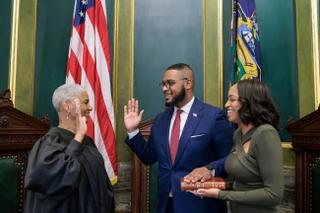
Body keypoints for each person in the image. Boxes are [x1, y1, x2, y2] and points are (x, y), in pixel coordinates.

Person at [123, 63, 233, 213]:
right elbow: (149, 157)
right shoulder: (161, 120)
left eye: (170, 83)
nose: (164, 88)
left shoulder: (213, 117)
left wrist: (210, 169)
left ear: (188, 83)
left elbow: (231, 158)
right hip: (165, 205)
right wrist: (133, 131)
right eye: (162, 84)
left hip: (201, 205)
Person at [190, 79, 284, 213]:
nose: (226, 104)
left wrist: (219, 194)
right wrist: (207, 185)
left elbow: (274, 194)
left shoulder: (265, 133)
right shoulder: (237, 134)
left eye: (232, 100)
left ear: (248, 102)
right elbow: (238, 184)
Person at [24, 84, 114, 213]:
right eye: (85, 102)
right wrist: (78, 137)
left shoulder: (87, 141)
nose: (90, 107)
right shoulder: (49, 142)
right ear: (67, 106)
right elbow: (53, 179)